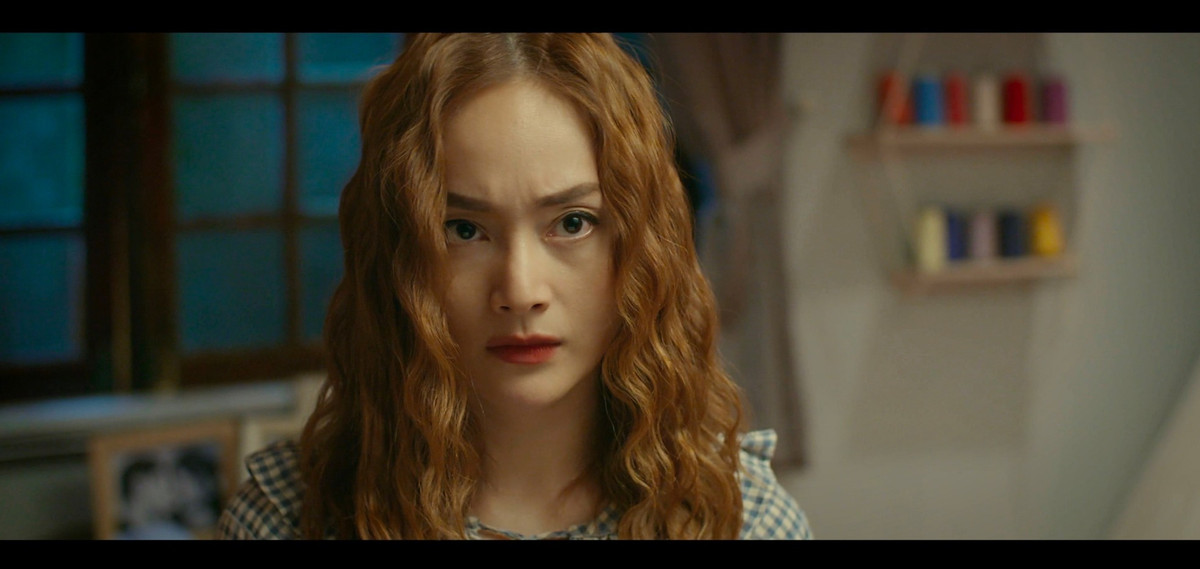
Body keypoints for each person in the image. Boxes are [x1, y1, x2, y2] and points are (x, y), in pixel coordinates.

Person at [217, 33, 811, 540]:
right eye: (464, 230)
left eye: (572, 223)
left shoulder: (741, 522)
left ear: (642, 247)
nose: (521, 291)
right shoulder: (292, 518)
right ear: (396, 256)